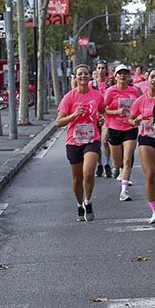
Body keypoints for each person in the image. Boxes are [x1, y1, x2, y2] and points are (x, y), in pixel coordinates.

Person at [55, 64, 104, 220]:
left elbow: (101, 112)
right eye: (80, 74)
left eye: (86, 74)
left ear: (90, 76)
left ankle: (88, 202)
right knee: (77, 178)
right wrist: (74, 115)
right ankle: (79, 205)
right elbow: (59, 122)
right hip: (74, 140)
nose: (83, 76)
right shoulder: (69, 97)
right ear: (75, 78)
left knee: (88, 174)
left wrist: (101, 119)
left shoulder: (97, 95)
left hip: (92, 139)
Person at [129, 71, 155, 223]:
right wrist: (136, 121)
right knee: (150, 174)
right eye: (152, 77)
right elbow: (130, 119)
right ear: (147, 79)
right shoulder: (140, 100)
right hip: (146, 138)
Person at [101, 64, 141, 201]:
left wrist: (138, 117)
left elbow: (142, 105)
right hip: (114, 128)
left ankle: (124, 191)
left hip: (130, 128)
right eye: (120, 73)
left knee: (127, 159)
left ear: (129, 76)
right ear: (115, 76)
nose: (122, 76)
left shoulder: (135, 91)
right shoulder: (110, 91)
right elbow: (103, 110)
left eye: (125, 73)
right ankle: (116, 169)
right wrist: (116, 112)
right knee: (117, 162)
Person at [91, 60, 113, 176]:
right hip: (93, 116)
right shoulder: (91, 85)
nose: (101, 70)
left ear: (106, 71)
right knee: (96, 141)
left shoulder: (110, 85)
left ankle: (107, 163)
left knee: (105, 140)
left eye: (103, 68)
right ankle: (99, 164)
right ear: (96, 70)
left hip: (106, 116)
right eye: (99, 68)